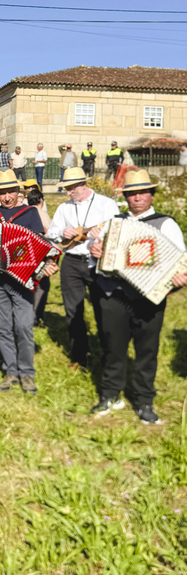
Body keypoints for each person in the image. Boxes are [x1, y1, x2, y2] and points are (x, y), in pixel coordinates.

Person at [89, 170, 187, 423]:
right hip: (114, 294)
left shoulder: (166, 224)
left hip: (149, 298)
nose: (138, 198)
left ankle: (144, 401)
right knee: (112, 347)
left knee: (147, 351)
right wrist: (95, 250)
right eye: (132, 193)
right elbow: (96, 255)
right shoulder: (114, 223)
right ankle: (111, 394)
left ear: (151, 195)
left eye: (143, 192)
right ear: (126, 197)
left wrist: (179, 279)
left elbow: (181, 263)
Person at [0, 170, 57, 395]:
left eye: (10, 192)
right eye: (2, 193)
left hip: (22, 279)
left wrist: (47, 264)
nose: (6, 197)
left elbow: (40, 243)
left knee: (23, 326)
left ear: (18, 191)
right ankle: (11, 371)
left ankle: (27, 373)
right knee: (2, 327)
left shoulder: (30, 213)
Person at [46, 167, 120, 371]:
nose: (68, 192)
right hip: (71, 261)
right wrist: (63, 232)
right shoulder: (64, 208)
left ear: (83, 184)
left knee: (103, 310)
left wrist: (100, 236)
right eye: (66, 189)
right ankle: (79, 355)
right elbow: (52, 233)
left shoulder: (106, 204)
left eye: (71, 188)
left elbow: (117, 232)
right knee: (73, 311)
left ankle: (108, 356)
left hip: (98, 262)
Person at [26, 187, 51, 325]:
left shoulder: (25, 213)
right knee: (42, 284)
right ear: (41, 200)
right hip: (41, 252)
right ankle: (36, 315)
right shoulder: (42, 214)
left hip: (27, 252)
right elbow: (48, 233)